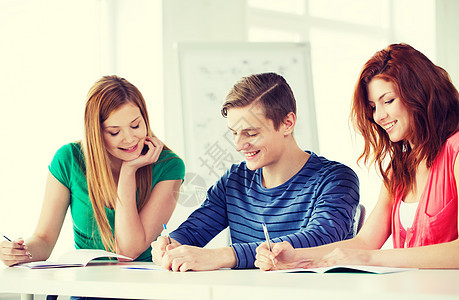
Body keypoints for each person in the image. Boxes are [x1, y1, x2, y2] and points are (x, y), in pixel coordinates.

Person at [255, 43, 459, 271]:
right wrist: (295, 256)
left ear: (420, 93)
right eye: (373, 106)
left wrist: (368, 259)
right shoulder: (398, 170)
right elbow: (364, 243)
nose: (379, 116)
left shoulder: (455, 150)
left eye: (388, 101)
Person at [151, 72, 360, 271]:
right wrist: (170, 245)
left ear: (287, 123)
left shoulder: (336, 179)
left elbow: (322, 239)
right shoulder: (235, 180)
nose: (239, 145)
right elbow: (194, 231)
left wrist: (223, 256)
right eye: (234, 133)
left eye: (250, 133)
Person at [0, 75, 185, 268]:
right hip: (87, 287)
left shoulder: (169, 166)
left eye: (135, 125)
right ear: (95, 132)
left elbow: (129, 250)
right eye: (114, 132)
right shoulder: (69, 159)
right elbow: (44, 240)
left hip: (142, 286)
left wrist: (129, 171)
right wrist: (19, 253)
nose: (130, 138)